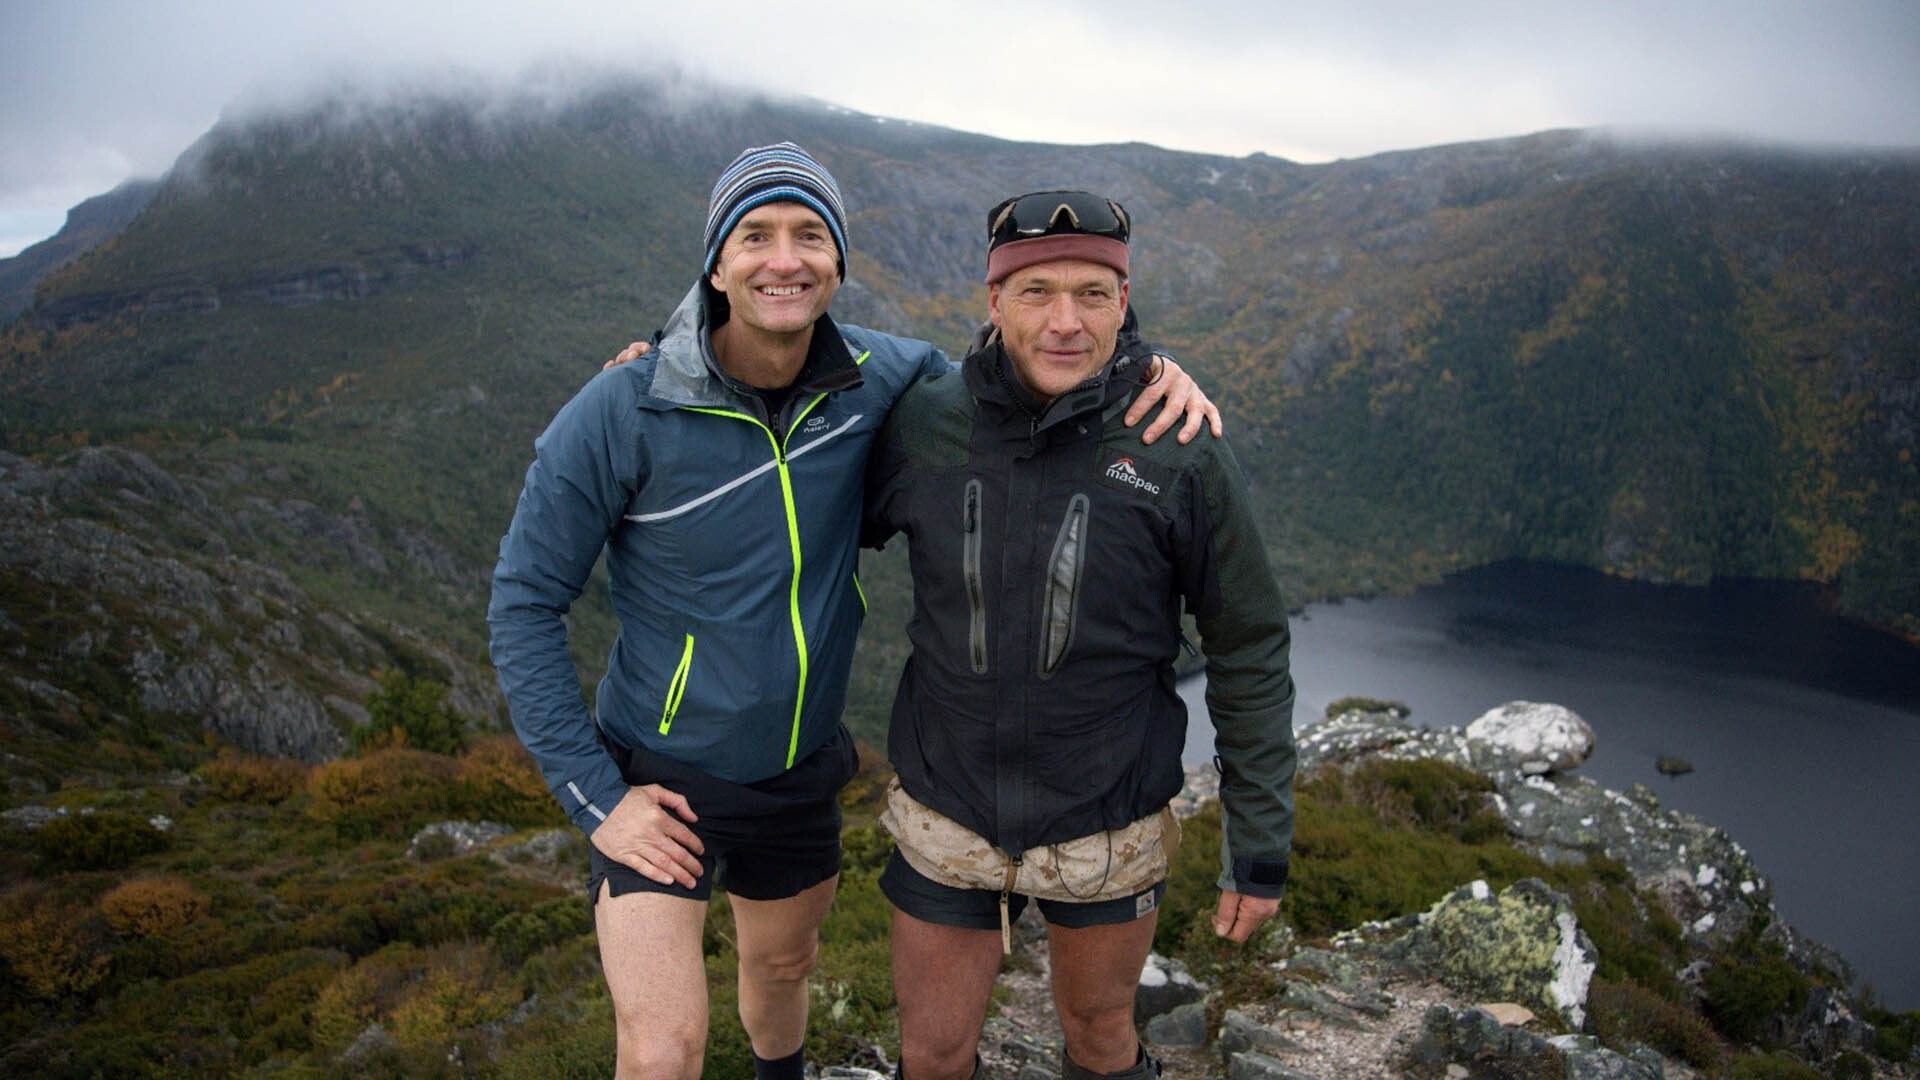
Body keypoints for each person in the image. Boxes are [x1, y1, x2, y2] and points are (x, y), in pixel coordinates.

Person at [488, 145, 1219, 1080]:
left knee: (783, 968)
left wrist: (1152, 365)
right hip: (656, 776)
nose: (783, 258)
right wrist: (599, 801)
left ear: (837, 262)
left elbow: (1034, 357)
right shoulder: (621, 410)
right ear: (716, 263)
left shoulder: (885, 378)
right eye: (755, 236)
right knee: (664, 1045)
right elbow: (522, 603)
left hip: (797, 769)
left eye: (809, 235)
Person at [863, 190, 1297, 1080]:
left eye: (1094, 294)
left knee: (1102, 1040)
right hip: (949, 811)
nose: (1066, 321)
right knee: (933, 1051)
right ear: (993, 302)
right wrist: (658, 370)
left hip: (1107, 822)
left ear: (1125, 300)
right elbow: (787, 486)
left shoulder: (1174, 443)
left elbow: (1247, 641)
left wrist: (1257, 843)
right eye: (1036, 292)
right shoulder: (925, 424)